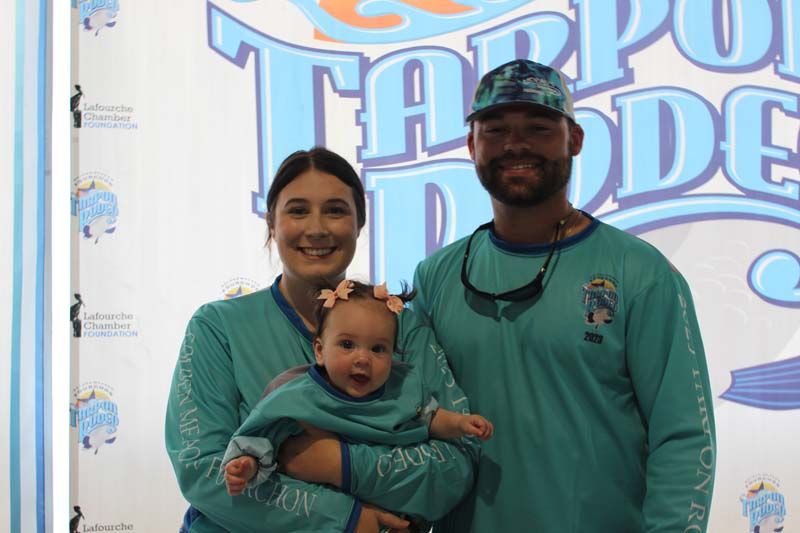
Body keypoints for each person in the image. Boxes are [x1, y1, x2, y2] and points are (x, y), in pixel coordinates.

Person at [411, 59, 717, 532]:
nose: (515, 144)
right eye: (494, 130)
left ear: (574, 139)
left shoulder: (639, 272)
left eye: (538, 127)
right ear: (472, 145)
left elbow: (683, 436)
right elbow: (407, 420)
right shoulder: (436, 277)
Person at [164, 147, 479, 533]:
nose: (317, 228)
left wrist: (340, 464)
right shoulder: (218, 328)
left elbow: (455, 466)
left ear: (359, 224)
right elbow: (202, 470)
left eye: (335, 210)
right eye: (297, 211)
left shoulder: (404, 330)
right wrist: (345, 519)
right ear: (272, 224)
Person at [222, 280, 493, 500]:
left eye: (378, 349)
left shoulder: (401, 389)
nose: (362, 359)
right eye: (347, 345)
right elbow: (260, 437)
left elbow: (431, 418)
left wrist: (460, 423)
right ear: (319, 350)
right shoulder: (295, 396)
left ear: (393, 355)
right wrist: (247, 464)